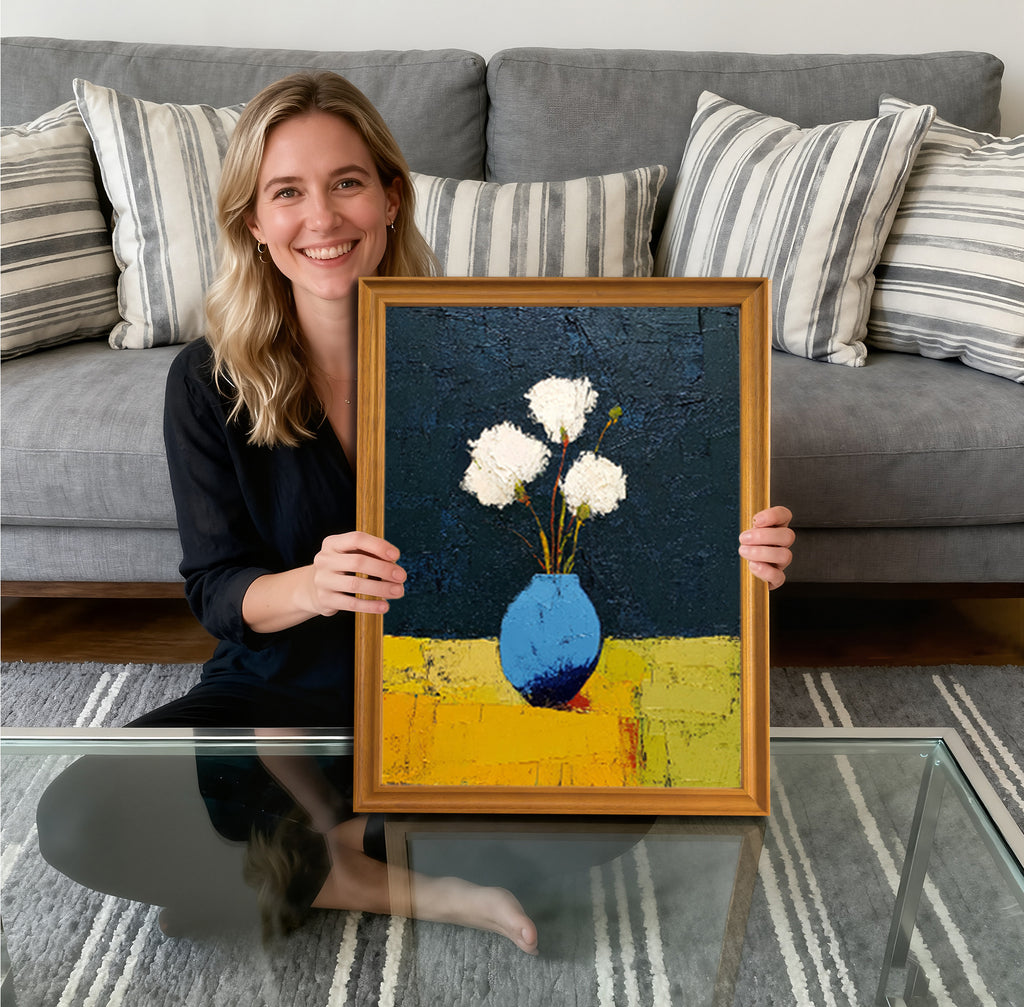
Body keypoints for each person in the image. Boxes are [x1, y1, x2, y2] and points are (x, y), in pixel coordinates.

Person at [38, 71, 795, 954]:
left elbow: (593, 544)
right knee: (78, 820)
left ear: (391, 198)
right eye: (287, 193)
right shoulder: (206, 382)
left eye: (347, 183)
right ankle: (394, 878)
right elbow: (217, 590)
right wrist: (313, 585)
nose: (321, 219)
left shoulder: (474, 352)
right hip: (278, 698)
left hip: (451, 691)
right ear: (254, 221)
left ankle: (305, 861)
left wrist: (730, 552)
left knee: (640, 792)